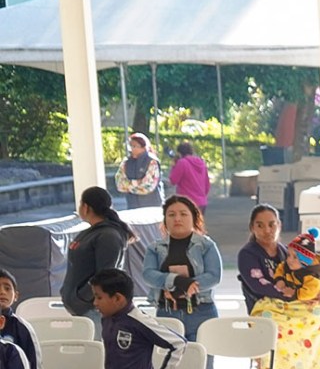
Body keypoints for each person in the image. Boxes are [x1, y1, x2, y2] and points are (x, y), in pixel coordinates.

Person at [237, 204, 320, 369]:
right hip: (265, 324)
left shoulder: (289, 251)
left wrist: (318, 290)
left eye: (272, 224)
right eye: (260, 225)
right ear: (251, 227)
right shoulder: (248, 254)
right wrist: (294, 295)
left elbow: (312, 277)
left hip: (293, 326)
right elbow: (259, 286)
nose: (267, 230)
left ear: (279, 225)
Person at [140, 195, 222, 344]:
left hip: (202, 311)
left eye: (183, 214)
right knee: (169, 363)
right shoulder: (155, 248)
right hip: (167, 312)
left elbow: (214, 276)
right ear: (165, 219)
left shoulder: (206, 245)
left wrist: (188, 286)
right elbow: (148, 274)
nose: (177, 218)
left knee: (203, 363)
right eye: (171, 215)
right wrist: (178, 281)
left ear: (194, 217)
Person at [60, 186, 129, 324]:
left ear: (86, 207)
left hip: (94, 309)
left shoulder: (108, 235)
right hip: (82, 308)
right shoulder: (92, 232)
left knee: (97, 345)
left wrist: (81, 298)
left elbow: (105, 274)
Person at [115, 132, 163, 208]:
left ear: (144, 147)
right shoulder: (126, 162)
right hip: (132, 205)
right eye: (129, 146)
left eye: (134, 146)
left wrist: (129, 186)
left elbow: (149, 186)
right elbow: (120, 185)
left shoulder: (152, 161)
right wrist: (138, 182)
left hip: (151, 206)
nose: (131, 149)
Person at [168, 140, 211, 211]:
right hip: (201, 202)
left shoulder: (182, 163)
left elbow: (173, 180)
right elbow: (207, 185)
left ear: (179, 153)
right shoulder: (202, 163)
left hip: (186, 202)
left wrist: (173, 166)